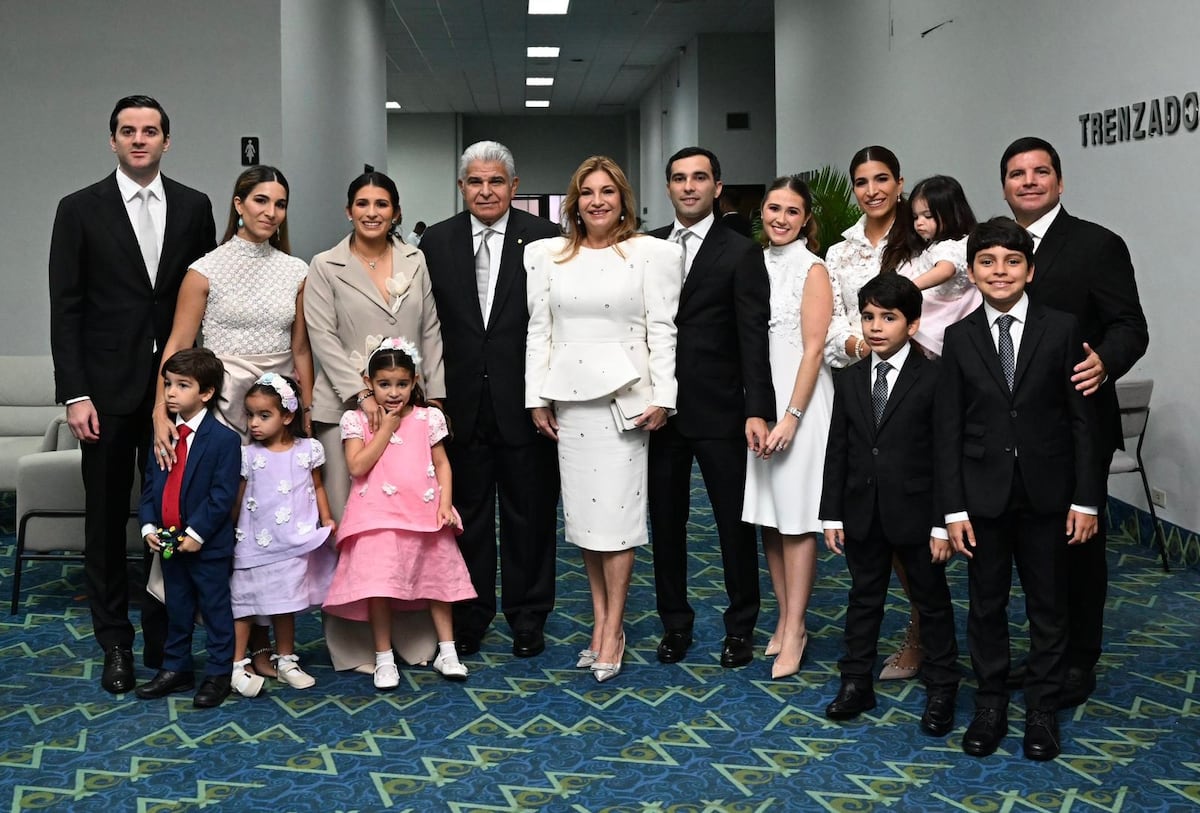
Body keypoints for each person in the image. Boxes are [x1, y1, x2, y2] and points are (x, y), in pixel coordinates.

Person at [49, 94, 216, 694]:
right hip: (106, 393)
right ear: (113, 141)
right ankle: (114, 643)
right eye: (128, 131)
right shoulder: (79, 209)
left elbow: (203, 297)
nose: (139, 139)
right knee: (105, 522)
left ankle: (165, 643)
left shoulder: (195, 206)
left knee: (171, 516)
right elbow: (65, 309)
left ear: (166, 141)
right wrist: (74, 393)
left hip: (175, 394)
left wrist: (201, 391)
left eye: (150, 131)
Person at [937, 217, 1101, 761]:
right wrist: (953, 508)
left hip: (1049, 495)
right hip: (982, 497)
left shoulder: (1061, 327)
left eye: (1012, 261)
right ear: (972, 271)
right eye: (987, 262)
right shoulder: (958, 338)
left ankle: (1042, 709)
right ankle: (990, 704)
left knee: (1048, 604)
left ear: (1029, 270)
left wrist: (1085, 498)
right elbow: (950, 430)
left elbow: (1082, 421)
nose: (999, 271)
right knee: (986, 604)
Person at [999, 137, 1149, 708]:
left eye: (1041, 172)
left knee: (1077, 546)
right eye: (1017, 173)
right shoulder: (997, 246)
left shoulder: (1097, 244)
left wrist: (1106, 361)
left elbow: (1130, 325)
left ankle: (1078, 660)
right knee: (1027, 549)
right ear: (1005, 185)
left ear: (1060, 182)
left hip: (1077, 422)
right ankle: (1044, 654)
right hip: (1013, 432)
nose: (1029, 181)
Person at [151, 164, 313, 680]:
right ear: (239, 203)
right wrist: (161, 409)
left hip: (274, 409)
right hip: (220, 412)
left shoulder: (297, 270)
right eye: (261, 201)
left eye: (280, 204)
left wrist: (301, 414)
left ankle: (262, 645)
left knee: (269, 526)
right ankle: (229, 647)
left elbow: (300, 349)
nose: (271, 212)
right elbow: (177, 346)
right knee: (226, 526)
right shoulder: (205, 269)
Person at [526, 155, 681, 682]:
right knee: (587, 525)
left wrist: (665, 394)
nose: (597, 200)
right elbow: (538, 332)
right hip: (571, 401)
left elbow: (663, 329)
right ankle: (599, 621)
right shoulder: (549, 256)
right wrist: (536, 398)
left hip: (626, 402)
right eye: (588, 191)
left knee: (617, 524)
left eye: (607, 192)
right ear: (574, 201)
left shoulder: (649, 254)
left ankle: (615, 628)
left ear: (623, 200)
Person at [422, 141, 561, 658]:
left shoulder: (545, 240)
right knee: (467, 517)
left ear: (514, 187)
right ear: (462, 187)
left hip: (527, 403)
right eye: (475, 182)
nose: (486, 191)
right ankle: (471, 615)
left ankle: (529, 617)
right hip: (457, 407)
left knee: (531, 515)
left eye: (496, 181)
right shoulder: (435, 243)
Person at [305, 171, 447, 674]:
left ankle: (410, 636)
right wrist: (361, 393)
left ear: (396, 211)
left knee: (410, 527)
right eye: (362, 203)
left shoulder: (415, 259)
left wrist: (435, 397)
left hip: (409, 411)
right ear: (349, 211)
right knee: (358, 531)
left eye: (382, 203)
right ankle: (355, 643)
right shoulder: (325, 265)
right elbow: (321, 335)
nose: (371, 211)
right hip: (347, 410)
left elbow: (429, 330)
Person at [648, 146, 773, 669]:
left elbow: (752, 335)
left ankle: (740, 625)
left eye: (700, 178)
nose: (689, 187)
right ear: (669, 187)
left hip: (721, 409)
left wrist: (757, 408)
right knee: (667, 522)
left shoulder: (741, 250)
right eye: (679, 178)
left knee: (732, 524)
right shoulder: (647, 246)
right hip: (659, 413)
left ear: (717, 187)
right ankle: (674, 623)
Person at [820, 274, 959, 735]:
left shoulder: (935, 376)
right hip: (862, 510)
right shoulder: (850, 377)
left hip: (918, 514)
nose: (876, 327)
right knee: (863, 599)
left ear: (913, 325)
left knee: (931, 602)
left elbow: (946, 454)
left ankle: (942, 686)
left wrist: (942, 524)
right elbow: (837, 448)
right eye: (868, 317)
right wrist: (832, 512)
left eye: (889, 317)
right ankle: (856, 681)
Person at [323, 338, 476, 689]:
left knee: (437, 581)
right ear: (368, 383)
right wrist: (387, 429)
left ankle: (447, 650)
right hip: (377, 516)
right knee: (380, 585)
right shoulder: (355, 419)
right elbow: (357, 466)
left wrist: (444, 504)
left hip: (425, 513)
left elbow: (443, 465)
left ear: (415, 381)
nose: (394, 393)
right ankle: (383, 658)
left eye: (402, 384)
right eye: (384, 384)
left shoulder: (429, 417)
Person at [824, 145, 922, 681]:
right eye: (861, 182)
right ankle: (916, 631)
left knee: (921, 523)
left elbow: (953, 309)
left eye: (881, 179)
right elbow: (837, 329)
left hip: (924, 394)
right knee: (876, 521)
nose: (871, 190)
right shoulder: (840, 255)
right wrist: (868, 347)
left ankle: (929, 629)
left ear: (900, 182)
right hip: (866, 391)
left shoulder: (925, 238)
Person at [740, 176, 833, 680]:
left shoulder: (811, 268)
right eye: (773, 209)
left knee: (797, 520)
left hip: (802, 400)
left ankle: (797, 627)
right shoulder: (753, 262)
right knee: (771, 518)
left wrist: (792, 418)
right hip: (762, 396)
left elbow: (815, 349)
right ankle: (784, 615)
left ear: (805, 219)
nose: (780, 219)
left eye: (791, 211)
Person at [134, 348, 241, 708]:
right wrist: (148, 523)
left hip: (206, 545)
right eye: (167, 384)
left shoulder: (224, 440)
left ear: (206, 393)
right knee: (176, 608)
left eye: (182, 385)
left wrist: (196, 535)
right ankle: (176, 668)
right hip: (167, 542)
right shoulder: (163, 435)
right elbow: (151, 483)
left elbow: (221, 496)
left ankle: (218, 674)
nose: (170, 393)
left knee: (214, 609)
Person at [230, 373, 336, 696]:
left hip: (292, 539)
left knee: (284, 601)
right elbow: (239, 496)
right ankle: (235, 663)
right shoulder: (248, 455)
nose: (254, 424)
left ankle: (286, 658)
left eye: (264, 415)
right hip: (253, 540)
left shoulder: (307, 450)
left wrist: (327, 517)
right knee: (245, 601)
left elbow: (317, 486)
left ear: (287, 416)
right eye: (250, 415)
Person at [890, 175, 981, 357]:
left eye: (928, 216)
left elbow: (945, 270)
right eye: (915, 217)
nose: (919, 223)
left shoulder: (950, 246)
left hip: (939, 314)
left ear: (952, 213)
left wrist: (910, 287)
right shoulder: (950, 243)